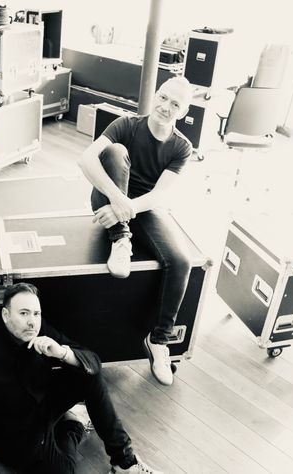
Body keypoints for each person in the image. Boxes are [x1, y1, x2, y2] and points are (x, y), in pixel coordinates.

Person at [0, 283, 161, 474]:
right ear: (5, 315)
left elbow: (93, 362)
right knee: (64, 471)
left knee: (90, 374)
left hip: (44, 403)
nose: (32, 321)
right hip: (16, 435)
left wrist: (62, 353)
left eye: (36, 313)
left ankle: (124, 462)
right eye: (23, 313)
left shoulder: (40, 330)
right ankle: (74, 423)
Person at [78, 76, 194, 386]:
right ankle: (120, 238)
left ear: (183, 112)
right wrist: (117, 201)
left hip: (142, 208)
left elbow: (159, 196)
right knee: (115, 151)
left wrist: (127, 208)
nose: (165, 107)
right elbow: (86, 159)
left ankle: (159, 340)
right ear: (155, 95)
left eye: (175, 104)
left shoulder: (181, 147)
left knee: (181, 261)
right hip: (109, 196)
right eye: (163, 97)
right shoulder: (127, 125)